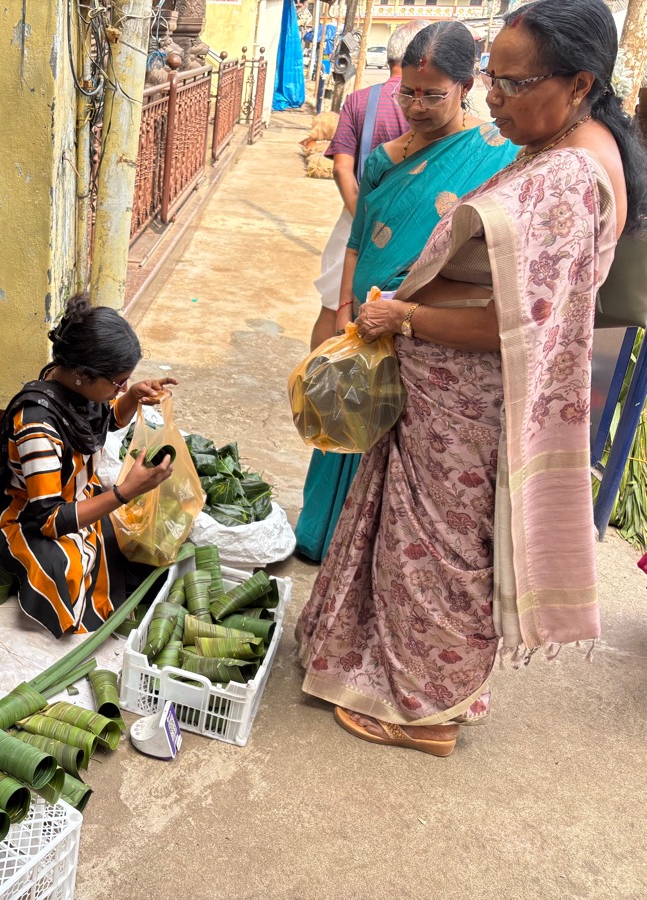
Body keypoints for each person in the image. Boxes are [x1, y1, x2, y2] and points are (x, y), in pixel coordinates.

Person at [296, 0, 645, 757]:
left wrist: (405, 318)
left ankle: (429, 710)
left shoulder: (569, 176)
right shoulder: (559, 144)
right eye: (492, 77)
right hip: (442, 398)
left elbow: (515, 325)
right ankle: (389, 673)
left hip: (469, 407)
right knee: (416, 540)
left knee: (441, 555)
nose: (494, 97)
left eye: (513, 84)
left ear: (580, 83)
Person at [294, 21, 518, 563]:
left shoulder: (497, 156)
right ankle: (323, 539)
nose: (416, 106)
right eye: (408, 93)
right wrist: (343, 311)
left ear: (467, 86)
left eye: (433, 95)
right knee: (346, 420)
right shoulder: (381, 161)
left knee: (401, 455)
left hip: (428, 332)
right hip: (367, 321)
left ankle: (370, 560)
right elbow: (357, 242)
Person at [0, 294, 177, 637]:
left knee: (133, 543)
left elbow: (104, 422)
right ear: (83, 375)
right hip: (30, 517)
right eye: (118, 382)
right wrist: (124, 493)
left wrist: (131, 397)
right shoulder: (38, 427)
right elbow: (48, 520)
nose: (122, 388)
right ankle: (7, 555)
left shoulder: (73, 384)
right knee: (63, 569)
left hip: (73, 498)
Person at [309, 19, 430, 351]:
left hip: (356, 217)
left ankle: (316, 377)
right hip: (416, 227)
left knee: (333, 306)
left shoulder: (359, 101)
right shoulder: (435, 105)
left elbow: (341, 170)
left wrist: (362, 221)